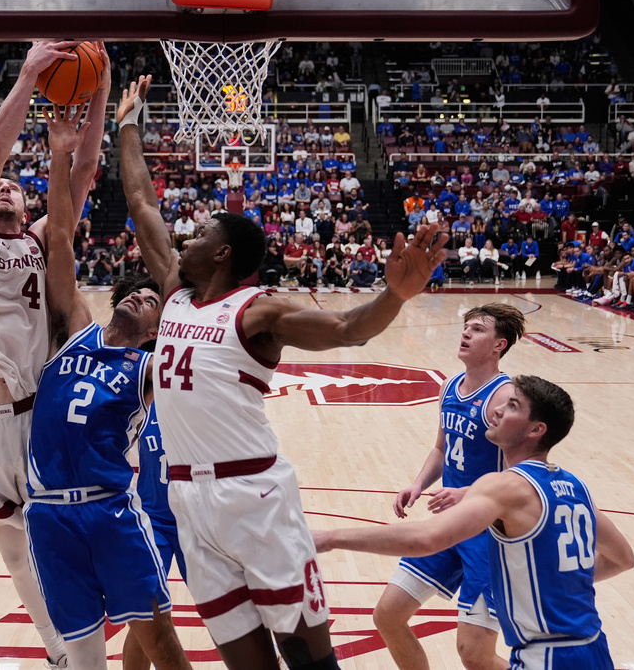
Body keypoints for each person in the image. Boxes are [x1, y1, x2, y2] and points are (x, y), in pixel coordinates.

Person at [118, 75, 449, 670]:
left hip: (255, 497)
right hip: (187, 500)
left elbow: (345, 328)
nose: (183, 240)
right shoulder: (173, 292)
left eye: (198, 236)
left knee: (307, 658)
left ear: (222, 254)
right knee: (246, 662)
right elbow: (142, 204)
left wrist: (393, 297)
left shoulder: (259, 310)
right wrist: (128, 125)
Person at [0, 40, 109, 669]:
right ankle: (60, 654)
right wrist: (29, 77)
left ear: (30, 208)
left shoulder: (41, 241)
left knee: (53, 543)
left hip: (36, 417)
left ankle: (84, 639)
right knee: (12, 553)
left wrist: (102, 85)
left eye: (16, 187)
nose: (6, 185)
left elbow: (83, 168)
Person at [21, 106, 190, 670]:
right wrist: (61, 152)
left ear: (156, 331)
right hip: (46, 515)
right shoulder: (77, 331)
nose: (143, 295)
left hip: (110, 509)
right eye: (138, 292)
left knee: (159, 640)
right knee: (85, 653)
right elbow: (61, 241)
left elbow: (171, 277)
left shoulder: (147, 369)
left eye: (152, 300)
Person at [313, 375, 634, 670]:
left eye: (512, 406)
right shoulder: (576, 487)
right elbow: (624, 558)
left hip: (546, 657)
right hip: (594, 649)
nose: (496, 411)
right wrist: (558, 581)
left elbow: (426, 538)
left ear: (536, 429)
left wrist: (331, 538)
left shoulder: (505, 487)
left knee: (475, 654)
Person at [371, 303, 525, 670]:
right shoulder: (450, 386)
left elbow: (523, 479)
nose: (465, 333)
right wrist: (419, 482)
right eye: (466, 326)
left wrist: (469, 494)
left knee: (474, 655)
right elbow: (441, 448)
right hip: (448, 527)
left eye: (477, 329)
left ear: (499, 345)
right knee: (388, 616)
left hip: (490, 537)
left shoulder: (506, 399)